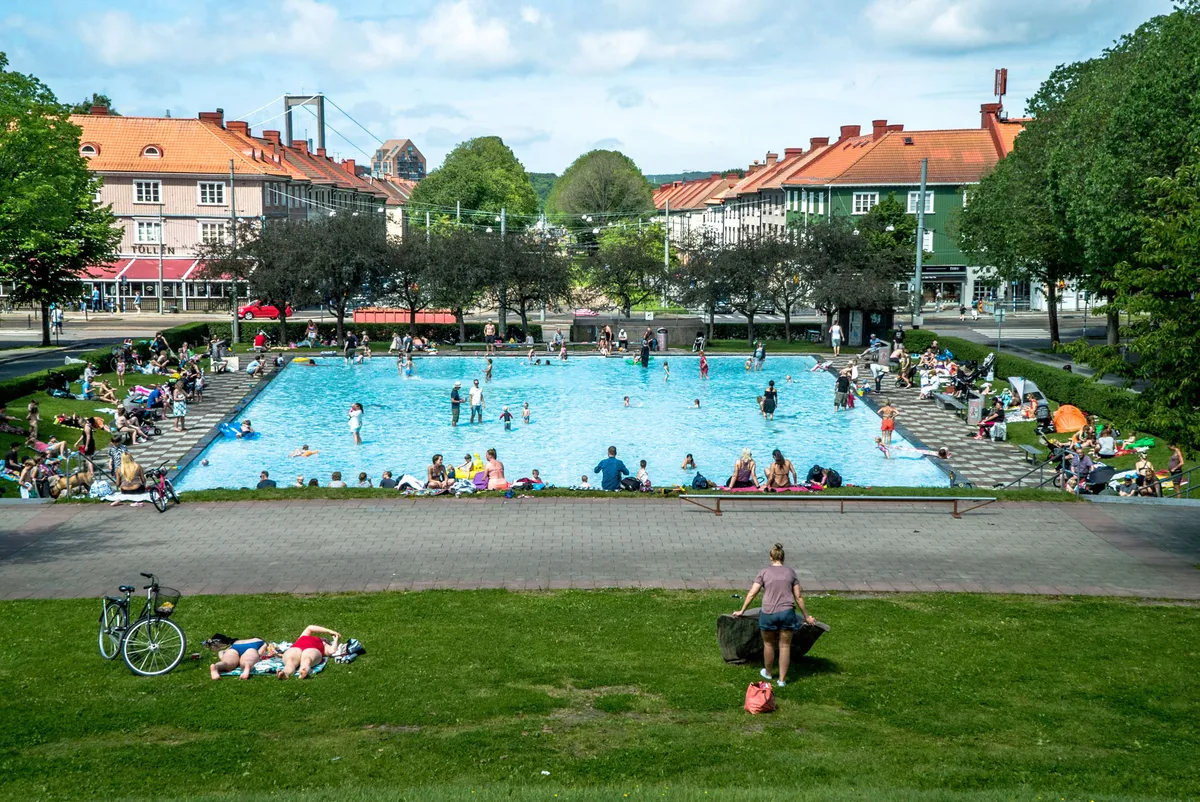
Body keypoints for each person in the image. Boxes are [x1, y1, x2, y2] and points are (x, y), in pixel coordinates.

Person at [732, 543, 816, 688]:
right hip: (787, 613)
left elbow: (752, 593)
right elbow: (798, 597)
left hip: (768, 613)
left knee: (768, 644)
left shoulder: (764, 572)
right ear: (783, 557)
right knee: (785, 646)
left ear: (771, 557)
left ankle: (769, 673)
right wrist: (807, 617)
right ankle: (782, 680)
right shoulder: (790, 573)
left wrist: (742, 610)